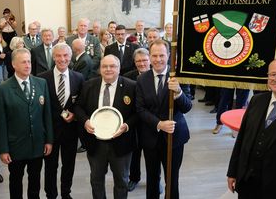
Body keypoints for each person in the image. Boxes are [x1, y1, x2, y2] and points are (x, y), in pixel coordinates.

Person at [227, 57, 276, 199]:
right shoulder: (257, 100)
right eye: (273, 74)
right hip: (248, 183)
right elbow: (242, 139)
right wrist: (233, 172)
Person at [74, 55, 137, 199]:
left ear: (119, 68)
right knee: (96, 180)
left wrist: (126, 126)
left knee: (121, 180)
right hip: (96, 143)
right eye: (104, 66)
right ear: (99, 69)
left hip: (122, 143)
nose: (108, 69)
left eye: (112, 66)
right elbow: (78, 107)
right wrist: (85, 121)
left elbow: (137, 113)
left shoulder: (131, 86)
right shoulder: (89, 85)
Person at [136, 39, 192, 199]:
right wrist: (159, 124)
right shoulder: (142, 79)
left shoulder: (178, 78)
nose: (158, 59)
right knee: (152, 178)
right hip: (151, 137)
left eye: (162, 55)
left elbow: (187, 107)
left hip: (175, 138)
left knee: (172, 178)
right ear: (149, 56)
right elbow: (140, 109)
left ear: (168, 56)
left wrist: (179, 92)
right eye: (154, 55)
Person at [0, 48, 53, 199]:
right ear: (14, 64)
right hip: (15, 146)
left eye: (29, 61)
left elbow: (47, 115)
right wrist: (3, 149)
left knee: (35, 182)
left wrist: (49, 140)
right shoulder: (3, 89)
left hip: (37, 144)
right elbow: (0, 123)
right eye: (23, 62)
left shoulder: (41, 83)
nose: (27, 65)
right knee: (15, 181)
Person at [38, 43, 84, 199]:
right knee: (50, 166)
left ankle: (66, 193)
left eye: (65, 55)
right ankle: (51, 194)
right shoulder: (43, 78)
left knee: (69, 165)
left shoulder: (78, 78)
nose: (62, 59)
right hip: (50, 131)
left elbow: (80, 103)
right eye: (58, 55)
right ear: (53, 57)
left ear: (70, 57)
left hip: (70, 130)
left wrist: (76, 115)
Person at [123, 48, 151, 191]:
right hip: (134, 122)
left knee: (152, 155)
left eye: (145, 60)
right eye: (138, 61)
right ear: (134, 62)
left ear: (150, 60)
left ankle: (154, 180)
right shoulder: (128, 77)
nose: (142, 63)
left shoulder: (156, 76)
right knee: (134, 152)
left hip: (151, 123)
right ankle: (134, 178)